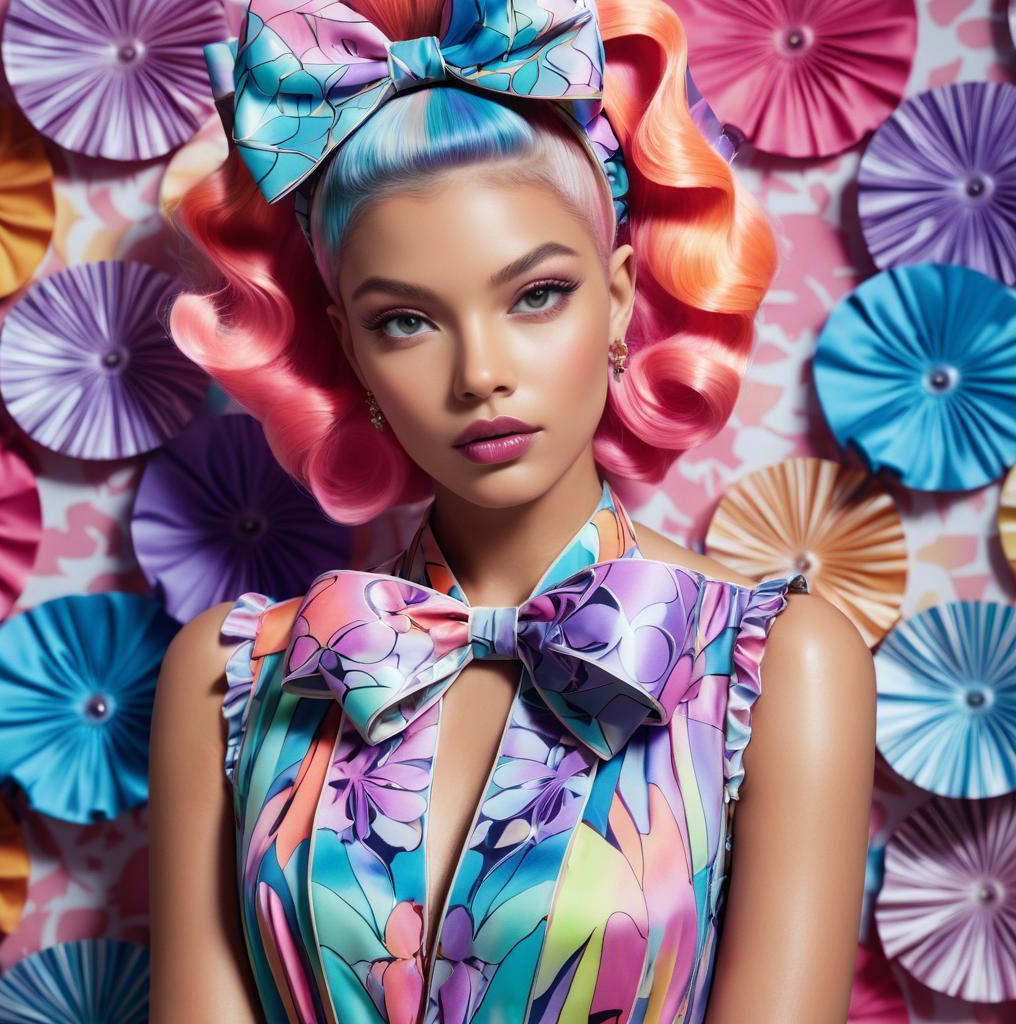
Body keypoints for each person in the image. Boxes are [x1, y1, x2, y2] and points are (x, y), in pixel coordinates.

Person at [148, 1, 876, 1021]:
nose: (480, 374)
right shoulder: (233, 676)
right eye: (405, 321)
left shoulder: (775, 659)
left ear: (619, 299)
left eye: (534, 296)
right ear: (348, 348)